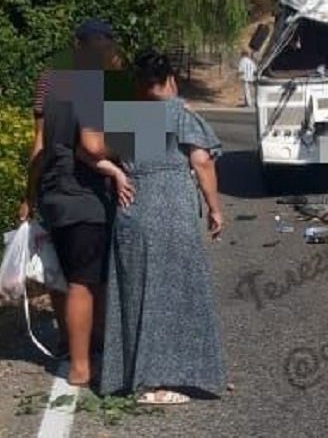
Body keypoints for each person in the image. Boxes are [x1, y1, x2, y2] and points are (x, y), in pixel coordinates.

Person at [100, 50, 226, 405]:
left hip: (133, 208)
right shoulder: (180, 115)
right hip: (171, 209)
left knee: (137, 292)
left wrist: (118, 172)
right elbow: (202, 163)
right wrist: (215, 209)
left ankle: (135, 376)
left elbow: (90, 149)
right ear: (171, 78)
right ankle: (159, 383)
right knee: (173, 291)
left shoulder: (123, 116)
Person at [32, 20, 134, 386]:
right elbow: (92, 146)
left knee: (75, 277)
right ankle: (81, 367)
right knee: (83, 282)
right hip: (84, 195)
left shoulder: (54, 84)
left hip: (55, 193)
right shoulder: (93, 85)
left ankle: (93, 347)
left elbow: (40, 147)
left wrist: (28, 198)